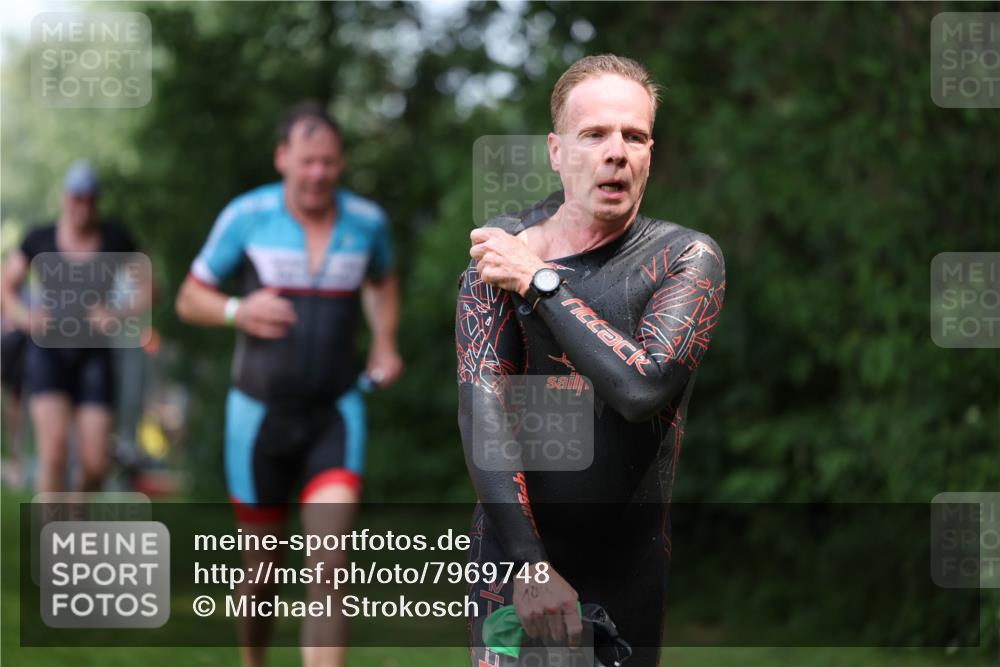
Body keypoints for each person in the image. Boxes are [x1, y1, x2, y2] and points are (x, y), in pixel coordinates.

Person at [456, 55, 726, 666]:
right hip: (514, 560)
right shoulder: (503, 248)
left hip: (628, 568)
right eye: (595, 134)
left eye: (634, 136)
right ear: (556, 150)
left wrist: (540, 285)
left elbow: (640, 389)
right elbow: (484, 413)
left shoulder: (685, 258)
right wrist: (529, 565)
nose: (617, 152)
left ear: (650, 152)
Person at [175, 101, 402, 667]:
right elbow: (188, 298)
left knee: (330, 569)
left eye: (328, 162)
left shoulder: (367, 223)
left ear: (341, 162)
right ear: (283, 159)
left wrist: (383, 342)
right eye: (307, 161)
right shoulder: (246, 217)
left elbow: (383, 280)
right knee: (263, 576)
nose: (319, 173)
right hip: (259, 419)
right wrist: (235, 310)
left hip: (334, 412)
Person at [1, 161, 144, 494]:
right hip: (48, 351)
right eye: (77, 198)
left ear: (97, 201)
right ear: (66, 198)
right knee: (54, 455)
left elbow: (150, 287)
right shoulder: (39, 238)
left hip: (95, 354)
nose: (83, 205)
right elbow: (6, 286)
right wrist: (25, 317)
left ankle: (75, 521)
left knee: (96, 463)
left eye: (90, 199)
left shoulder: (115, 238)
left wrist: (117, 313)